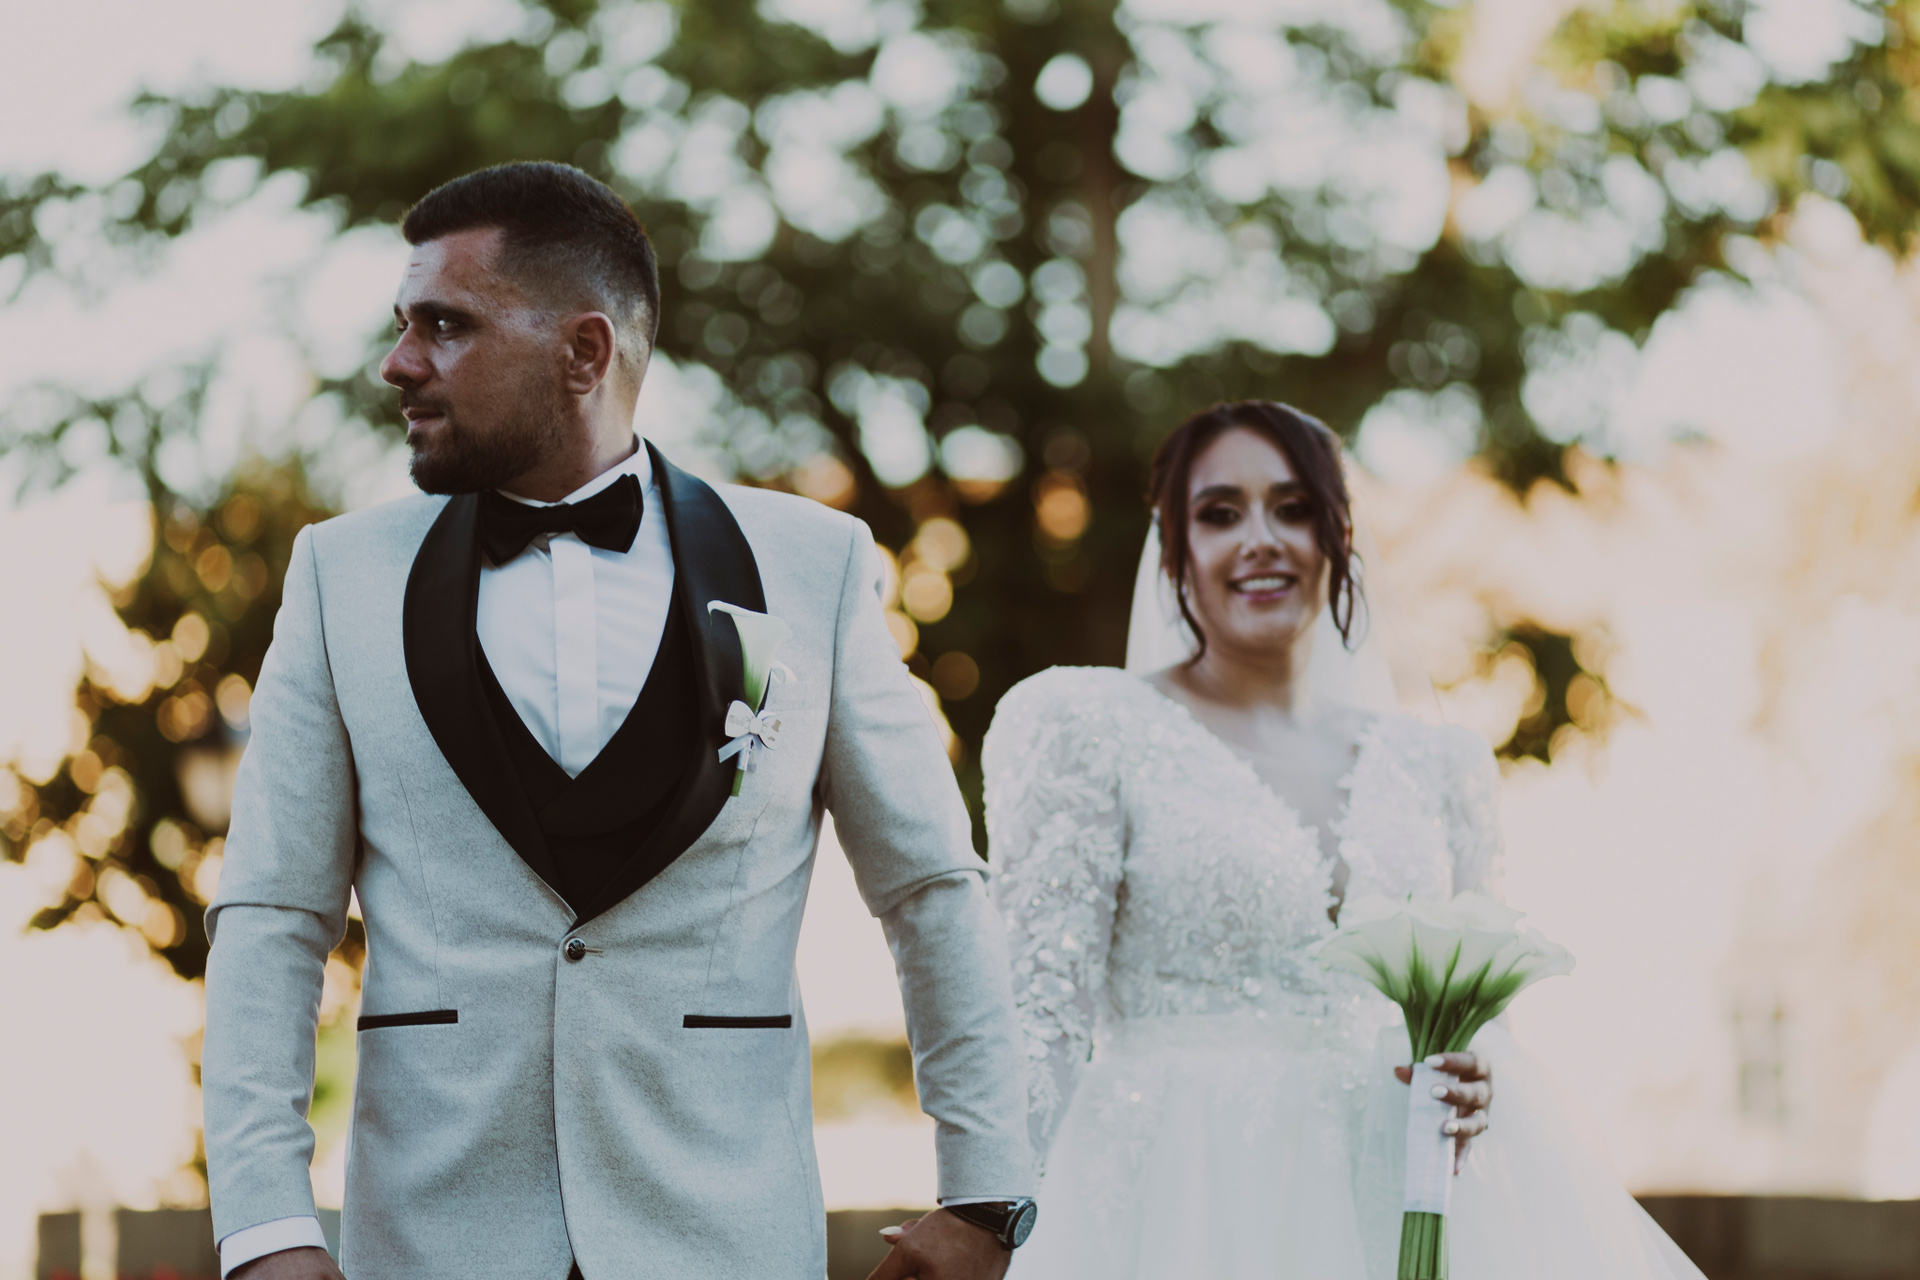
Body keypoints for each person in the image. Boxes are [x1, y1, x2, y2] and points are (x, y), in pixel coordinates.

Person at [199, 162, 1037, 1280]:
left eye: (445, 325)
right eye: (403, 324)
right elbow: (271, 915)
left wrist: (984, 1189)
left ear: (584, 352)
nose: (398, 363)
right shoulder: (336, 576)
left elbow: (929, 886)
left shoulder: (816, 565)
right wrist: (265, 1226)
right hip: (434, 1237)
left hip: (725, 1234)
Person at [982, 401, 1707, 1278]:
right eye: (1220, 514)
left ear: (1339, 536)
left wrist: (1477, 1076)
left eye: (1293, 509)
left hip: (1394, 1202)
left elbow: (1487, 1025)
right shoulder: (1086, 725)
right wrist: (983, 1213)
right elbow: (1038, 1020)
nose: (1261, 540)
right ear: (1174, 551)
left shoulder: (1439, 765)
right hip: (1180, 1204)